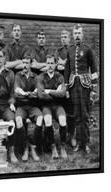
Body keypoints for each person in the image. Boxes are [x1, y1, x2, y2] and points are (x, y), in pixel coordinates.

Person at [64, 24, 98, 153]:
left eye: (79, 33)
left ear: (82, 35)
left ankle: (86, 143)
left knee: (85, 115)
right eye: (75, 33)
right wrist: (67, 88)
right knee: (76, 115)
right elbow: (67, 70)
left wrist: (94, 89)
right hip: (73, 86)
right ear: (73, 35)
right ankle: (78, 143)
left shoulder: (87, 49)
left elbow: (94, 69)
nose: (77, 35)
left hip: (85, 86)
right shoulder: (70, 50)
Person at [37, 54, 68, 159]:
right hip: (46, 106)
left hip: (58, 106)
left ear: (55, 64)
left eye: (52, 63)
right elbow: (41, 95)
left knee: (63, 121)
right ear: (46, 64)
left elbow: (63, 94)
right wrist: (56, 93)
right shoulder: (41, 77)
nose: (50, 65)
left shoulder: (59, 76)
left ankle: (63, 147)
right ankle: (53, 147)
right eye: (48, 63)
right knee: (48, 120)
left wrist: (49, 91)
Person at [14, 56, 43, 161]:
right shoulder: (17, 75)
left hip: (33, 106)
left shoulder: (35, 76)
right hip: (21, 106)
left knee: (40, 119)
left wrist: (27, 95)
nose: (24, 65)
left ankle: (33, 146)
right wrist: (27, 94)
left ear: (30, 65)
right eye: (23, 63)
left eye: (27, 63)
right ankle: (26, 147)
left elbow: (38, 92)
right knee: (18, 121)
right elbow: (16, 91)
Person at [55, 30, 75, 147]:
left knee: (72, 111)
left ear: (69, 38)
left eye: (65, 37)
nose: (63, 39)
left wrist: (65, 63)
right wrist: (64, 63)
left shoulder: (73, 50)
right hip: (61, 84)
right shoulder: (58, 51)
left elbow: (73, 66)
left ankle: (72, 135)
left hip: (71, 83)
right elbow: (58, 65)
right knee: (62, 110)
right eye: (62, 37)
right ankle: (63, 136)